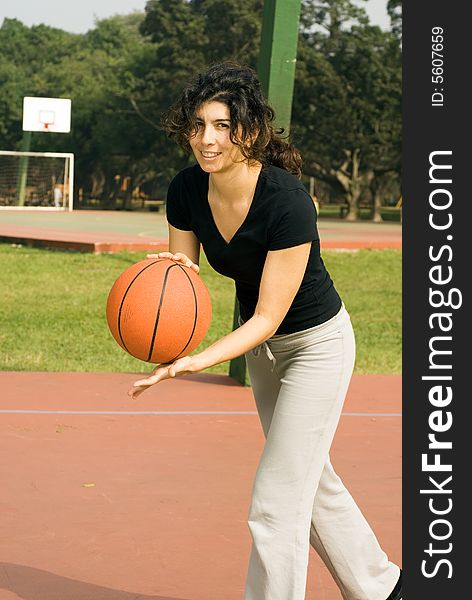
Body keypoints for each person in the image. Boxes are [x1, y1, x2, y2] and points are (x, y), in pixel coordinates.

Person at [129, 62, 401, 600]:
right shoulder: (186, 189)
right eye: (198, 125)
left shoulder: (287, 201)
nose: (206, 139)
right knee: (309, 482)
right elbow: (184, 280)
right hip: (264, 353)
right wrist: (162, 297)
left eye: (221, 126)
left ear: (249, 131)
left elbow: (268, 318)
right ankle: (383, 587)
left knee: (277, 499)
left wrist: (194, 362)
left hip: (315, 347)